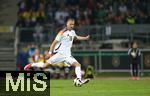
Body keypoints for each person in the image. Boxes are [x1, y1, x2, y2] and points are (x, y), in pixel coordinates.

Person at [25, 18, 90, 85]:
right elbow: (53, 43)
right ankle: (31, 65)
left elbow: (76, 37)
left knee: (78, 64)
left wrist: (85, 38)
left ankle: (79, 80)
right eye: (70, 24)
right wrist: (50, 53)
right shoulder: (61, 32)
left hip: (67, 55)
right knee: (44, 65)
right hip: (59, 54)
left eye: (73, 24)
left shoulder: (72, 32)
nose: (72, 26)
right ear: (67, 24)